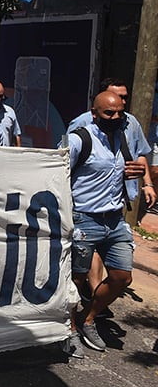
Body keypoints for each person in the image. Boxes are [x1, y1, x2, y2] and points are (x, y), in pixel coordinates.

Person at [62, 91, 156, 357]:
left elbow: (139, 159)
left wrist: (141, 177)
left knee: (121, 277)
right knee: (77, 280)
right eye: (109, 113)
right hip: (83, 219)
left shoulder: (123, 137)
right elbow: (57, 173)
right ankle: (69, 329)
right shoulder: (79, 139)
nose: (115, 118)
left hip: (115, 220)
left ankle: (88, 319)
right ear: (95, 114)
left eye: (119, 114)